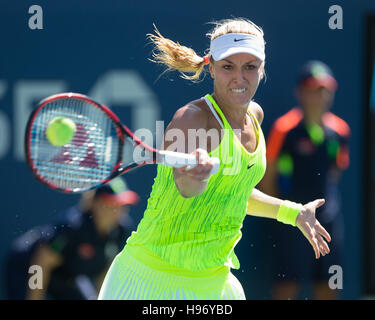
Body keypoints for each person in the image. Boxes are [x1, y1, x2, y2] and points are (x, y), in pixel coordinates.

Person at [98, 18, 332, 300]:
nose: (239, 78)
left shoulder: (254, 116)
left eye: (250, 67)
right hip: (150, 281)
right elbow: (186, 189)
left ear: (262, 69)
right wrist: (196, 175)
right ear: (211, 67)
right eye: (228, 67)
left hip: (214, 283)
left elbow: (233, 194)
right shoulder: (192, 119)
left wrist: (292, 213)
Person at [259, 60, 350, 299]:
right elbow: (267, 178)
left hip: (329, 219)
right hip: (292, 219)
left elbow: (335, 172)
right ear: (300, 92)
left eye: (324, 90)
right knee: (287, 285)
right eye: (313, 89)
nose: (320, 96)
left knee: (329, 285)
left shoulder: (340, 131)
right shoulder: (284, 129)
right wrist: (285, 212)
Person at [4, 177, 139, 300]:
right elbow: (41, 262)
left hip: (67, 275)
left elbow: (104, 274)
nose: (119, 210)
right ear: (95, 203)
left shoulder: (121, 231)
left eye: (122, 205)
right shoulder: (74, 227)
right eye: (112, 203)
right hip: (28, 267)